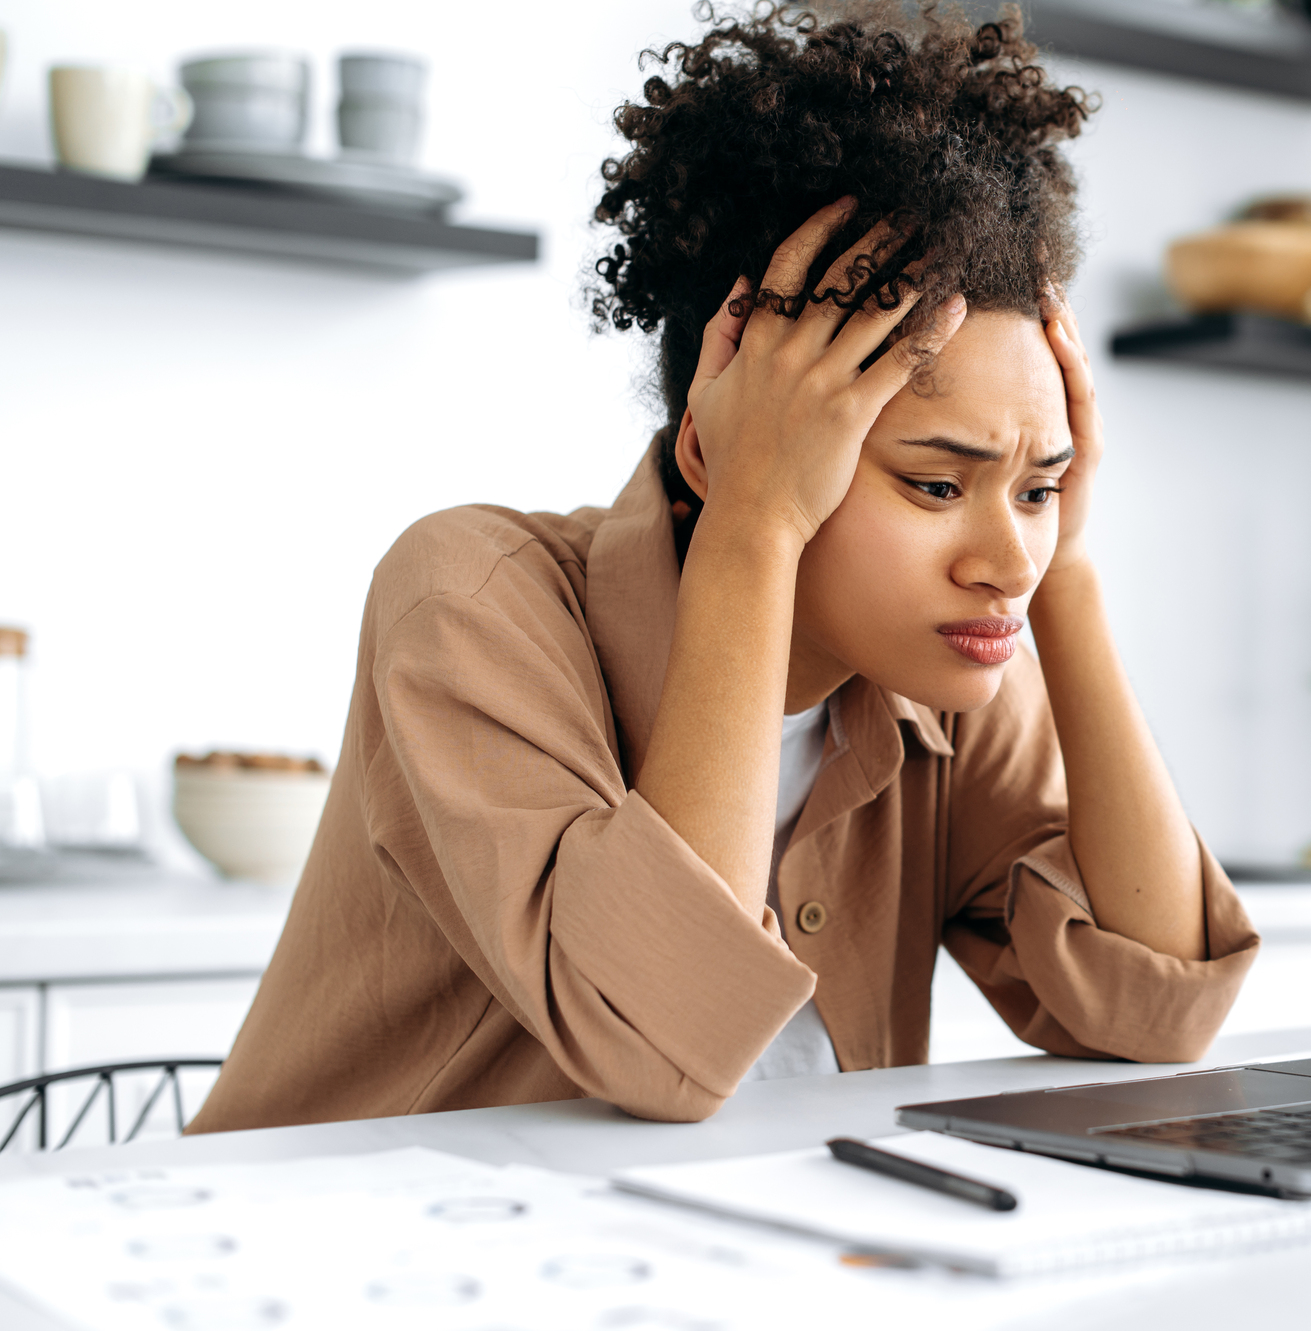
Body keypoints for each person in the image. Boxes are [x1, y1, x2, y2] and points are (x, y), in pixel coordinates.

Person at [190, 2, 1256, 1133]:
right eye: (936, 486)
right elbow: (662, 1041)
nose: (1005, 562)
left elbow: (1154, 1012)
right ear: (718, 440)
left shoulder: (951, 669)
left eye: (1038, 488)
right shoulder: (470, 602)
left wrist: (1073, 572)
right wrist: (753, 526)